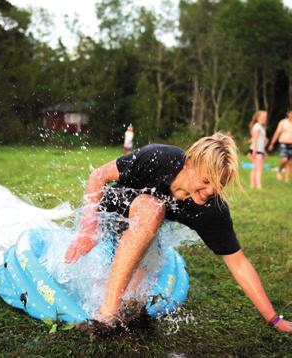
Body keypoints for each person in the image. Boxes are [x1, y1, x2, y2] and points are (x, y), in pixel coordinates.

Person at [64, 133, 292, 332]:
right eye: (205, 180)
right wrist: (87, 228)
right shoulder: (159, 158)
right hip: (111, 214)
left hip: (138, 229)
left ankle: (115, 302)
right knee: (153, 209)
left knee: (134, 297)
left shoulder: (210, 209)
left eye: (217, 185)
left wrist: (274, 319)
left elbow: (239, 263)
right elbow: (98, 177)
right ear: (189, 163)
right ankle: (106, 316)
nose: (210, 191)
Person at [268, 110, 292, 183]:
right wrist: (272, 144)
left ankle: (287, 179)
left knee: (290, 162)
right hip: (284, 143)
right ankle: (279, 170)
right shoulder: (283, 122)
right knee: (284, 159)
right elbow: (277, 133)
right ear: (288, 114)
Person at [248, 111, 267, 189]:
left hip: (260, 150)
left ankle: (253, 185)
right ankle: (258, 186)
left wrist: (264, 151)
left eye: (265, 117)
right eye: (262, 117)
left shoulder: (261, 127)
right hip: (256, 150)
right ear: (258, 117)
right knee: (258, 168)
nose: (264, 119)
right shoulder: (257, 126)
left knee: (256, 167)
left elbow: (261, 141)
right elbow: (254, 139)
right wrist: (254, 151)